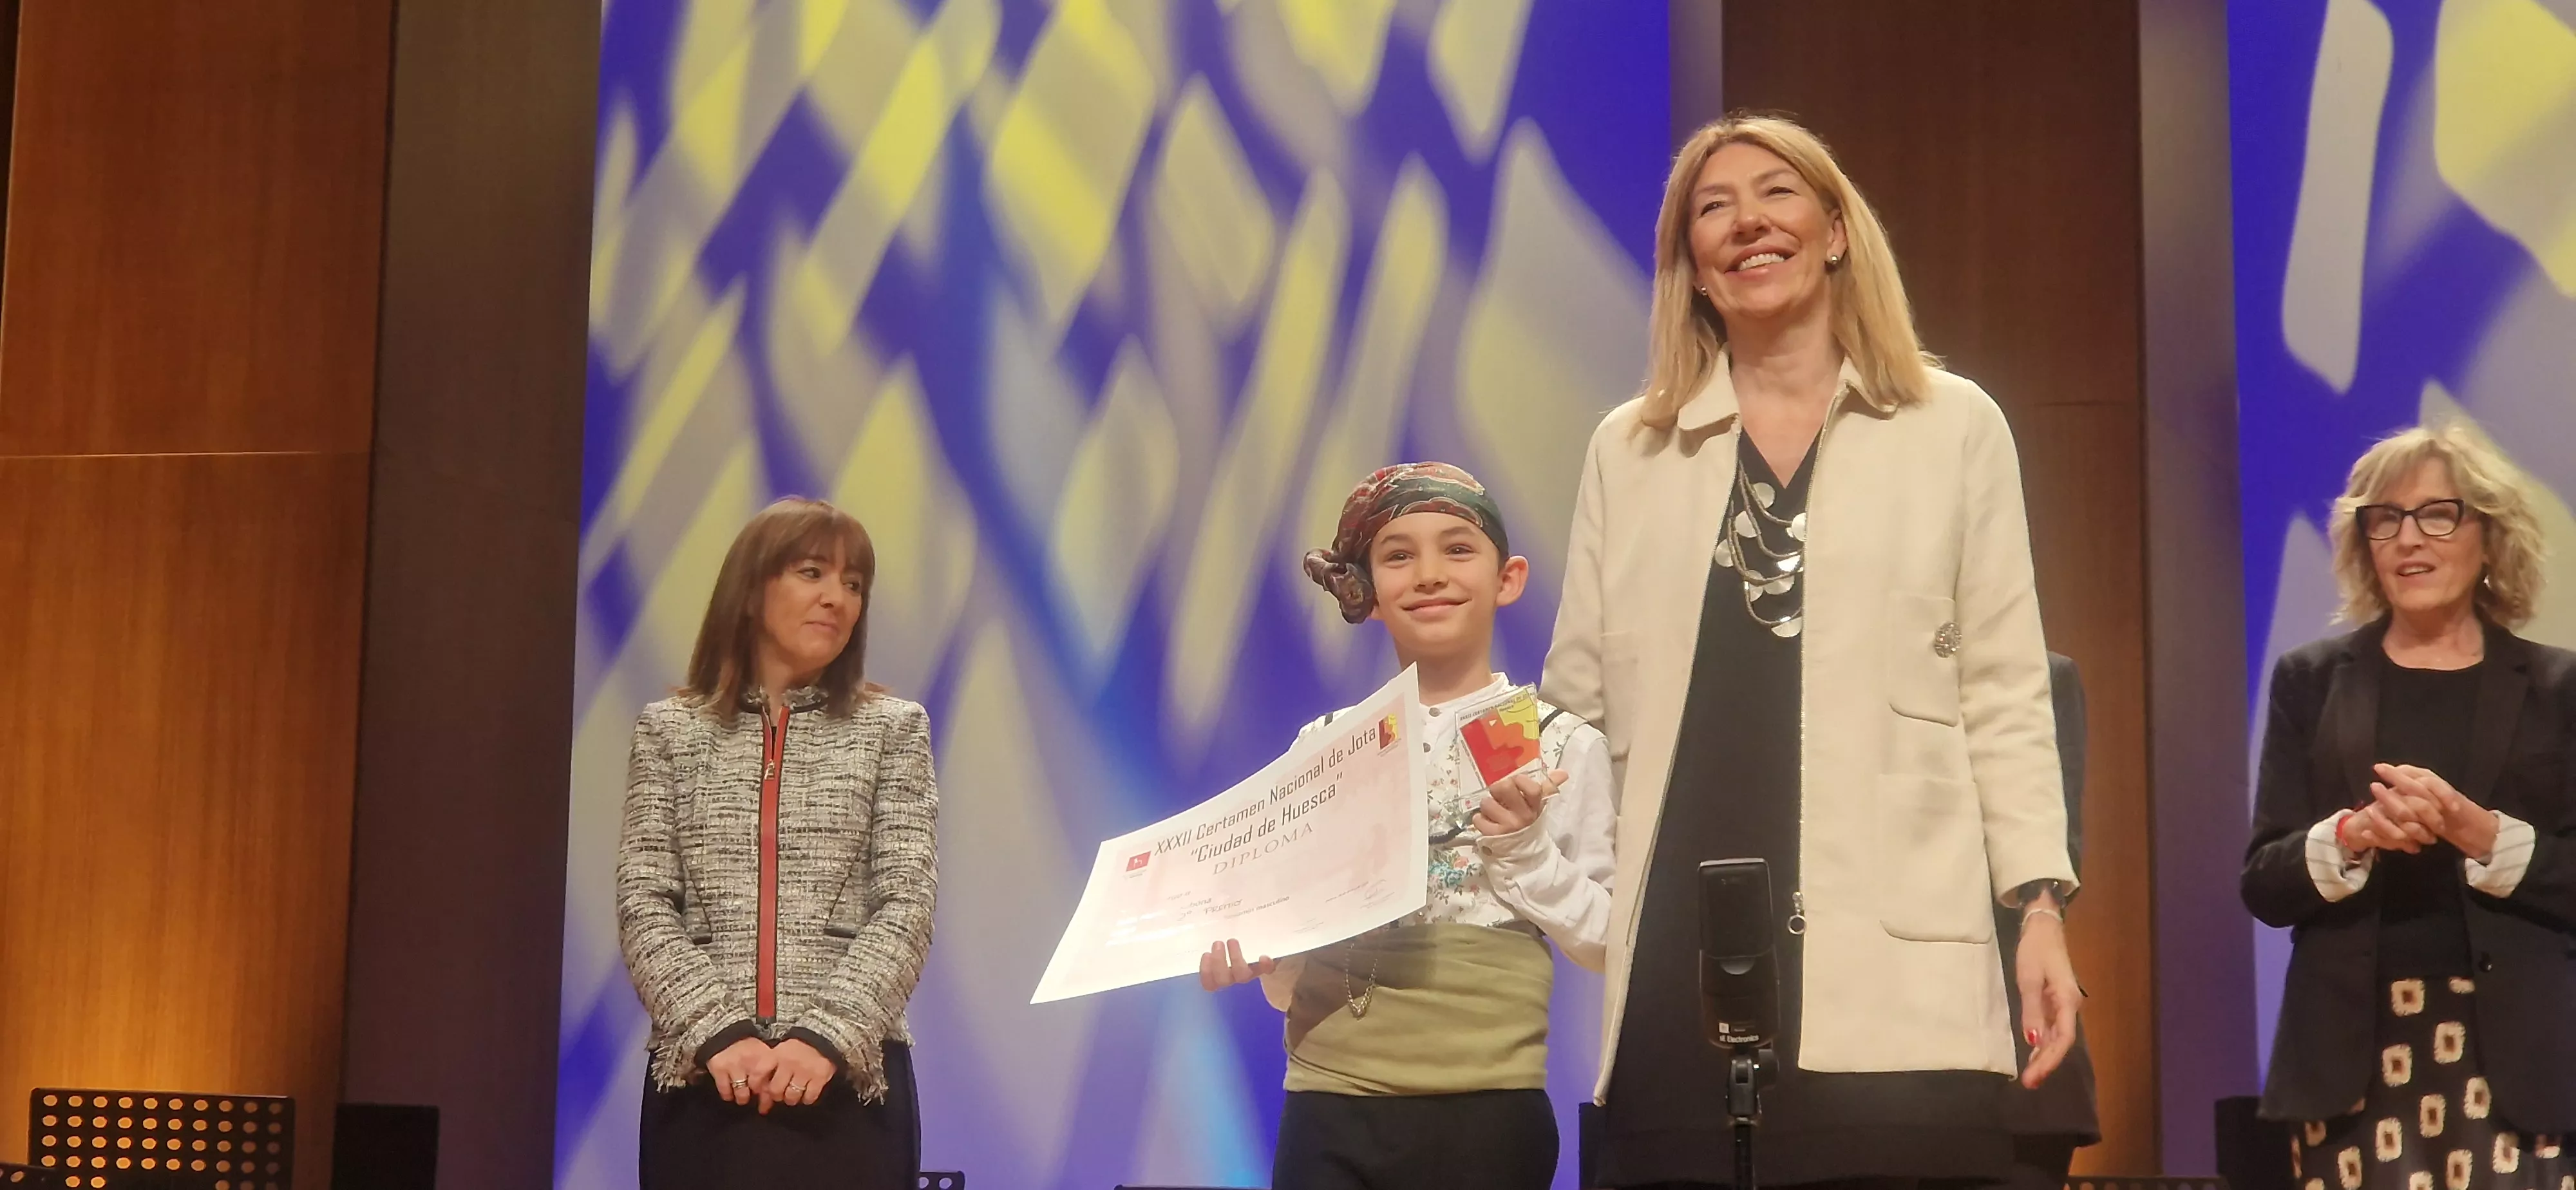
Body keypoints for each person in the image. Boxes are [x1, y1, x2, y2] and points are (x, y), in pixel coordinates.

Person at [1540, 114, 2083, 1189]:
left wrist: (2039, 905)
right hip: (1680, 952)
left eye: (1777, 193)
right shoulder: (1632, 446)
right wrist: (1575, 892)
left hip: (1896, 948)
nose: (1747, 220)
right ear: (1691, 266)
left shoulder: (1952, 425)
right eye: (1712, 206)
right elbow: (1576, 705)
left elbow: (2008, 688)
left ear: (1836, 231)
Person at [1199, 462, 1618, 1190]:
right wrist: (1268, 956)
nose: (1429, 575)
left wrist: (1523, 850)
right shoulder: (1325, 748)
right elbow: (1288, 972)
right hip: (1329, 1106)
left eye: (1458, 550)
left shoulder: (1557, 744)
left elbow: (1609, 940)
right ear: (1363, 590)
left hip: (1486, 1110)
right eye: (1398, 555)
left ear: (1508, 577)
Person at [2241, 424, 2573, 1190]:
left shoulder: (2559, 690)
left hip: (2516, 1058)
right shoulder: (2312, 680)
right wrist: (2354, 836)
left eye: (2437, 515)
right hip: (2350, 1059)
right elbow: (2263, 881)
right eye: (2383, 519)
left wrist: (2481, 835)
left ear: (2489, 536)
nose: (2406, 538)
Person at [617, 496, 940, 1190]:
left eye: (854, 585)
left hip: (848, 1081)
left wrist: (821, 1039)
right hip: (704, 1080)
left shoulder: (893, 730)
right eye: (813, 573)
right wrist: (719, 1033)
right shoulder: (670, 730)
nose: (837, 598)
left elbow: (907, 905)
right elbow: (644, 902)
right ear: (750, 590)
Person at [1998, 653, 2104, 1190]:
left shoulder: (2041, 676)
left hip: (2014, 1053)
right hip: (1864, 1072)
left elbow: (2055, 856)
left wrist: (2042, 907)